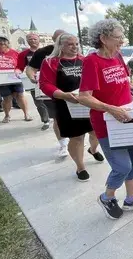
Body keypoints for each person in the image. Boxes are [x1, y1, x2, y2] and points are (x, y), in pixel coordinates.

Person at [78, 19, 133, 220]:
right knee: (122, 166)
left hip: (129, 118)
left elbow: (124, 83)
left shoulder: (118, 56)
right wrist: (110, 109)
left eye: (122, 37)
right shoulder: (91, 61)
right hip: (108, 124)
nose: (122, 41)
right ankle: (107, 197)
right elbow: (84, 96)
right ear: (103, 38)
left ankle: (130, 200)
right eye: (118, 37)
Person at [39, 33, 104, 181]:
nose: (74, 47)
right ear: (60, 45)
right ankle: (80, 167)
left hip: (89, 102)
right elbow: (45, 84)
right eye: (70, 44)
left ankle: (93, 150)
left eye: (76, 44)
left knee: (96, 132)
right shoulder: (50, 62)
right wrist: (64, 95)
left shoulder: (84, 60)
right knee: (77, 137)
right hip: (66, 105)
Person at [27, 29, 69, 157]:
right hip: (51, 92)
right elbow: (30, 68)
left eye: (64, 38)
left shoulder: (72, 50)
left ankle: (74, 139)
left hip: (71, 91)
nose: (62, 41)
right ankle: (63, 145)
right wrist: (31, 76)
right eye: (58, 39)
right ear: (53, 39)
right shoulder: (42, 53)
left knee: (73, 118)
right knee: (57, 118)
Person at [0, 36, 32, 123]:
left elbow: (21, 64)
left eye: (4, 41)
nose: (2, 43)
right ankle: (7, 115)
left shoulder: (15, 53)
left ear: (8, 43)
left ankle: (26, 114)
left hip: (15, 77)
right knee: (7, 98)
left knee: (20, 96)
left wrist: (21, 71)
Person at [17, 33, 50, 131]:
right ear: (27, 41)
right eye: (30, 39)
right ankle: (46, 120)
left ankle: (55, 118)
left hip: (49, 79)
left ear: (39, 39)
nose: (33, 41)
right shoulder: (23, 54)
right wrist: (17, 72)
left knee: (52, 100)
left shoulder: (48, 51)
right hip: (34, 80)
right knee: (39, 101)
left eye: (35, 39)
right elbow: (20, 67)